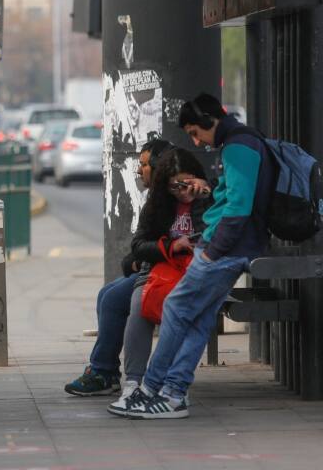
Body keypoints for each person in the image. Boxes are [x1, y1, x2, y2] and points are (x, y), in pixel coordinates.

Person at [126, 93, 273, 419]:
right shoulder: (243, 143)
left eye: (196, 131)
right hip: (233, 247)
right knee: (199, 319)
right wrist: (208, 190)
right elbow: (232, 195)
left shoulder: (239, 146)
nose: (196, 140)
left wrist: (211, 253)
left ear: (210, 120)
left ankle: (153, 389)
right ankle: (172, 393)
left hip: (226, 249)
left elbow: (238, 207)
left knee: (178, 308)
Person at [64, 138, 175, 396]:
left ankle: (105, 372)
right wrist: (137, 259)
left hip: (167, 273)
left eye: (145, 165)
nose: (139, 170)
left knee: (114, 299)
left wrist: (146, 255)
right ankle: (106, 371)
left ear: (160, 168)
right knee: (107, 293)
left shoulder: (173, 199)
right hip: (153, 267)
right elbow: (140, 244)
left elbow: (163, 244)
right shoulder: (156, 199)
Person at [106, 147, 212, 415]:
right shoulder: (158, 205)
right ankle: (132, 382)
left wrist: (204, 195)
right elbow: (139, 244)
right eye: (175, 185)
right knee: (139, 304)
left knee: (180, 310)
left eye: (187, 183)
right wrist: (171, 245)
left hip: (196, 272)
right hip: (160, 270)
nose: (182, 190)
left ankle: (171, 384)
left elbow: (217, 231)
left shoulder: (209, 198)